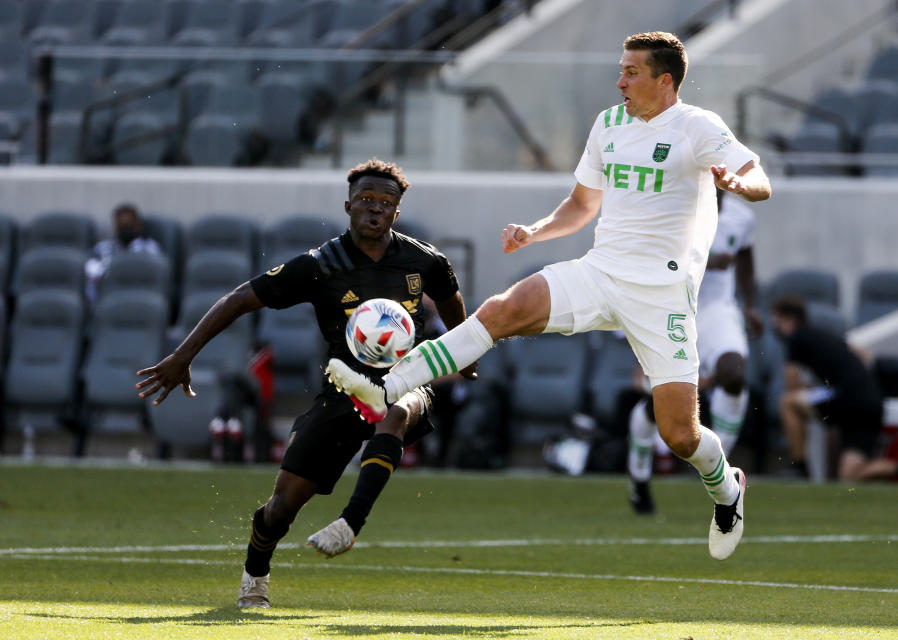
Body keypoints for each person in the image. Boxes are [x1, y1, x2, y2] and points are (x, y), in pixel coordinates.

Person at [326, 31, 771, 560]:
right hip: (601, 272)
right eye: (621, 68)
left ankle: (727, 488)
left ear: (664, 79)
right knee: (502, 310)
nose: (621, 80)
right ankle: (386, 385)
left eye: (631, 72)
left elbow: (757, 176)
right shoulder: (609, 124)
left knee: (679, 434)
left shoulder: (697, 126)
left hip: (662, 294)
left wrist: (743, 186)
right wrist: (535, 232)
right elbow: (583, 205)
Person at [135, 159, 472, 608]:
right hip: (343, 390)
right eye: (367, 201)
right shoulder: (321, 265)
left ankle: (350, 524)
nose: (376, 209)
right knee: (282, 508)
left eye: (386, 203)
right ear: (349, 205)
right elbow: (240, 299)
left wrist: (463, 353)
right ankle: (255, 575)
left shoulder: (425, 260)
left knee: (397, 410)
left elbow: (452, 304)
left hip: (405, 377)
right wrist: (183, 355)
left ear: (397, 211)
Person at [627, 188, 763, 513]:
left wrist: (751, 306)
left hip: (717, 309)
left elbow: (745, 258)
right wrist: (705, 262)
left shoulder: (741, 217)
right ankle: (639, 476)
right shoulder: (668, 207)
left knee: (734, 375)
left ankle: (718, 471)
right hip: (671, 306)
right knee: (658, 406)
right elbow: (648, 260)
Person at [771, 295, 895, 480]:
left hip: (849, 401)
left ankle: (800, 469)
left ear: (789, 320)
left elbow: (792, 386)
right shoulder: (825, 336)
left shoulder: (796, 338)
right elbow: (866, 355)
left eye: (777, 321)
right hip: (871, 404)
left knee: (788, 403)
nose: (775, 327)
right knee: (848, 475)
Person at [84, 203, 163, 303]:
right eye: (122, 226)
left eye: (129, 226)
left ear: (139, 226)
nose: (125, 230)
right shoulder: (102, 248)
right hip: (109, 296)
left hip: (138, 296)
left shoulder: (150, 249)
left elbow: (153, 276)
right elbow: (91, 274)